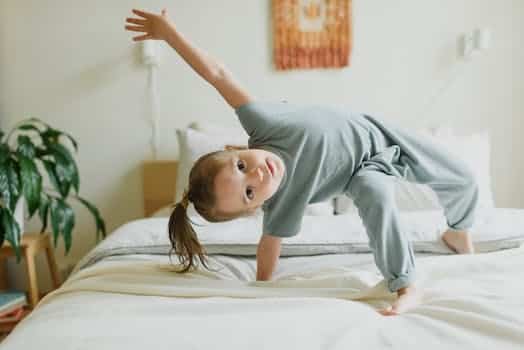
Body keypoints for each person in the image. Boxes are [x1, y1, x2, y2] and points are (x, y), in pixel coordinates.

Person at [125, 8, 478, 316]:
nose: (259, 175)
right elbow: (269, 246)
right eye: (250, 192)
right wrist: (261, 286)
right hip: (365, 173)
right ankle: (406, 285)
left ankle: (456, 232)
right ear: (257, 207)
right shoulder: (282, 204)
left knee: (465, 180)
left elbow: (217, 75)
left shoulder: (264, 124)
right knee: (375, 193)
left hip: (380, 135)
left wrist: (169, 35)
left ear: (236, 147)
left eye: (241, 166)